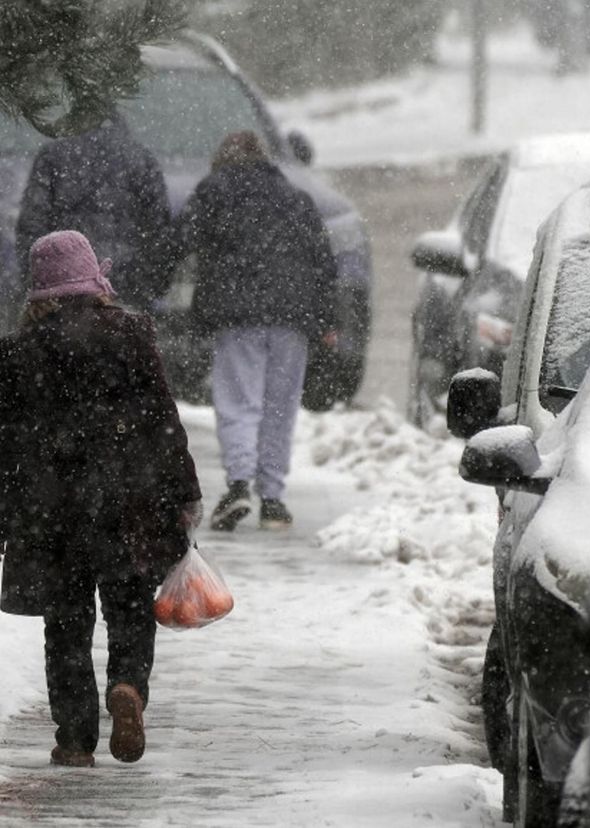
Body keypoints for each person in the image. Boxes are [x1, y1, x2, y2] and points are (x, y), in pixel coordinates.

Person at [0, 230, 202, 767]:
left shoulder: (18, 354)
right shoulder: (132, 335)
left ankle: (74, 738)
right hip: (129, 502)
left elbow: (7, 442)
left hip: (52, 510)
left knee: (65, 623)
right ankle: (129, 686)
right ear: (94, 280)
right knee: (130, 608)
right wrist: (184, 492)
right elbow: (164, 421)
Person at [172, 130, 338, 532]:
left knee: (239, 403)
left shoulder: (214, 191)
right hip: (292, 317)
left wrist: (149, 279)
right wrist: (329, 319)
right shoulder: (296, 198)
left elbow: (179, 240)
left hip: (238, 314)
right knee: (280, 408)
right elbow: (324, 262)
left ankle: (239, 484)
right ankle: (274, 500)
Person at [15, 111, 173, 310]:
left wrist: (37, 284)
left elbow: (32, 224)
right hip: (128, 284)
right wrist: (152, 283)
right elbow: (159, 228)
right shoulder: (142, 158)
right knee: (124, 337)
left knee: (70, 337)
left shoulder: (53, 156)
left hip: (65, 287)